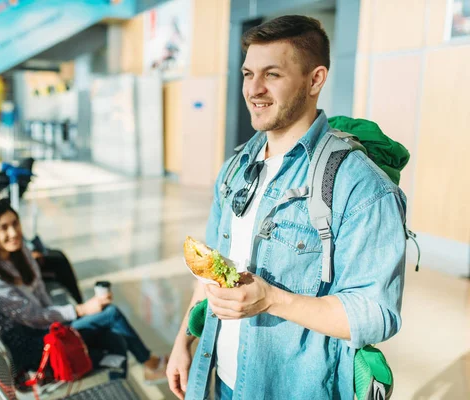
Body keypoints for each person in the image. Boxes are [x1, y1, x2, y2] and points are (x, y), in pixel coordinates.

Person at [166, 15, 407, 400]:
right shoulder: (236, 167)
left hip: (293, 388)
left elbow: (376, 314)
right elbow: (213, 267)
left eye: (272, 74)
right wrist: (185, 340)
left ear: (315, 80)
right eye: (248, 74)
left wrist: (273, 300)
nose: (254, 90)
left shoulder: (359, 184)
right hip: (223, 379)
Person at [0, 201, 168, 384]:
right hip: (35, 348)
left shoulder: (18, 252)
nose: (14, 232)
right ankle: (150, 364)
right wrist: (80, 310)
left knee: (115, 340)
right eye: (3, 228)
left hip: (46, 330)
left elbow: (40, 295)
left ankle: (129, 384)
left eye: (15, 223)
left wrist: (64, 319)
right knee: (111, 314)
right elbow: (33, 317)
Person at [0, 170, 84, 303]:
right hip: (4, 262)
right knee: (58, 261)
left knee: (56, 256)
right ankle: (80, 304)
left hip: (7, 258)